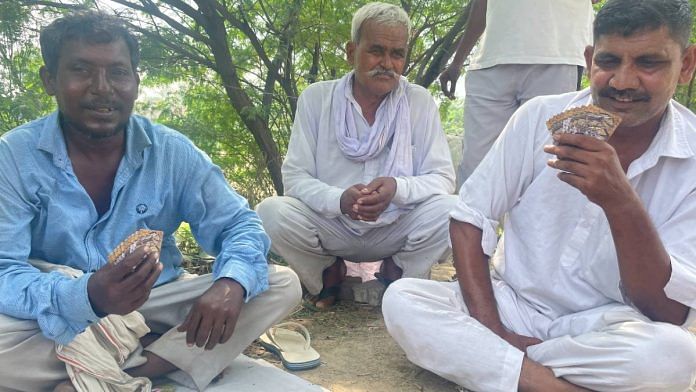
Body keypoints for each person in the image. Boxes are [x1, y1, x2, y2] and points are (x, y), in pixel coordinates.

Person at [383, 0, 696, 390]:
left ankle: (498, 368)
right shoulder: (537, 117)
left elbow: (666, 310)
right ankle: (548, 384)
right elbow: (469, 218)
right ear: (589, 59)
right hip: (510, 303)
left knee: (673, 356)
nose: (623, 81)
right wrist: (493, 327)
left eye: (649, 63)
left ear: (685, 65)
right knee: (404, 299)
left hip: (605, 325)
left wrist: (620, 202)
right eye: (609, 61)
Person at [0, 11, 301, 391]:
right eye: (81, 70)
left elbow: (239, 224)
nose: (102, 87)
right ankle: (155, 363)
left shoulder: (171, 151)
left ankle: (123, 373)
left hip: (154, 304)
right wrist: (87, 295)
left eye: (118, 72)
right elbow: (4, 269)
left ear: (136, 82)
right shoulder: (13, 156)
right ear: (50, 80)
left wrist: (230, 283)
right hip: (65, 311)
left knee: (280, 284)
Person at [256, 2, 457, 310]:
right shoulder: (317, 99)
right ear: (352, 53)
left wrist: (397, 189)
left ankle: (399, 272)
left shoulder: (418, 101)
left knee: (454, 210)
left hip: (397, 226)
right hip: (333, 224)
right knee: (271, 212)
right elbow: (295, 178)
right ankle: (327, 273)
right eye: (376, 51)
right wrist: (339, 200)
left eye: (397, 54)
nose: (387, 63)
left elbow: (442, 179)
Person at [440, 0, 598, 186]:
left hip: (556, 56)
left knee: (543, 168)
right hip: (491, 59)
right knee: (476, 169)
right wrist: (458, 61)